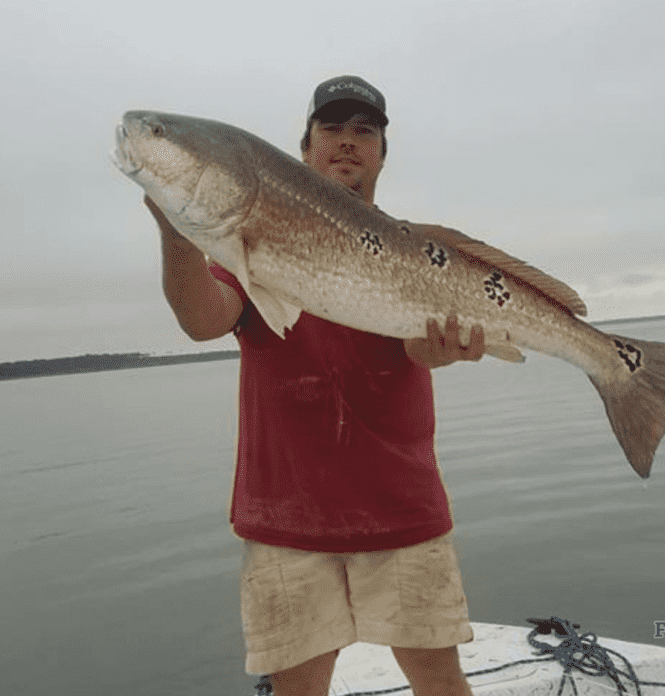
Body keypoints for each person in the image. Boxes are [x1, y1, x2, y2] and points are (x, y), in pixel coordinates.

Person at [144, 75, 484, 696]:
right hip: (285, 514)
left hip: (400, 508)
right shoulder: (247, 237)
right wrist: (175, 236)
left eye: (365, 130)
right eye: (332, 128)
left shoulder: (415, 250)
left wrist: (441, 351)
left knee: (440, 681)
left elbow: (416, 345)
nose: (348, 142)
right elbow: (203, 320)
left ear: (383, 151)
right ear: (304, 149)